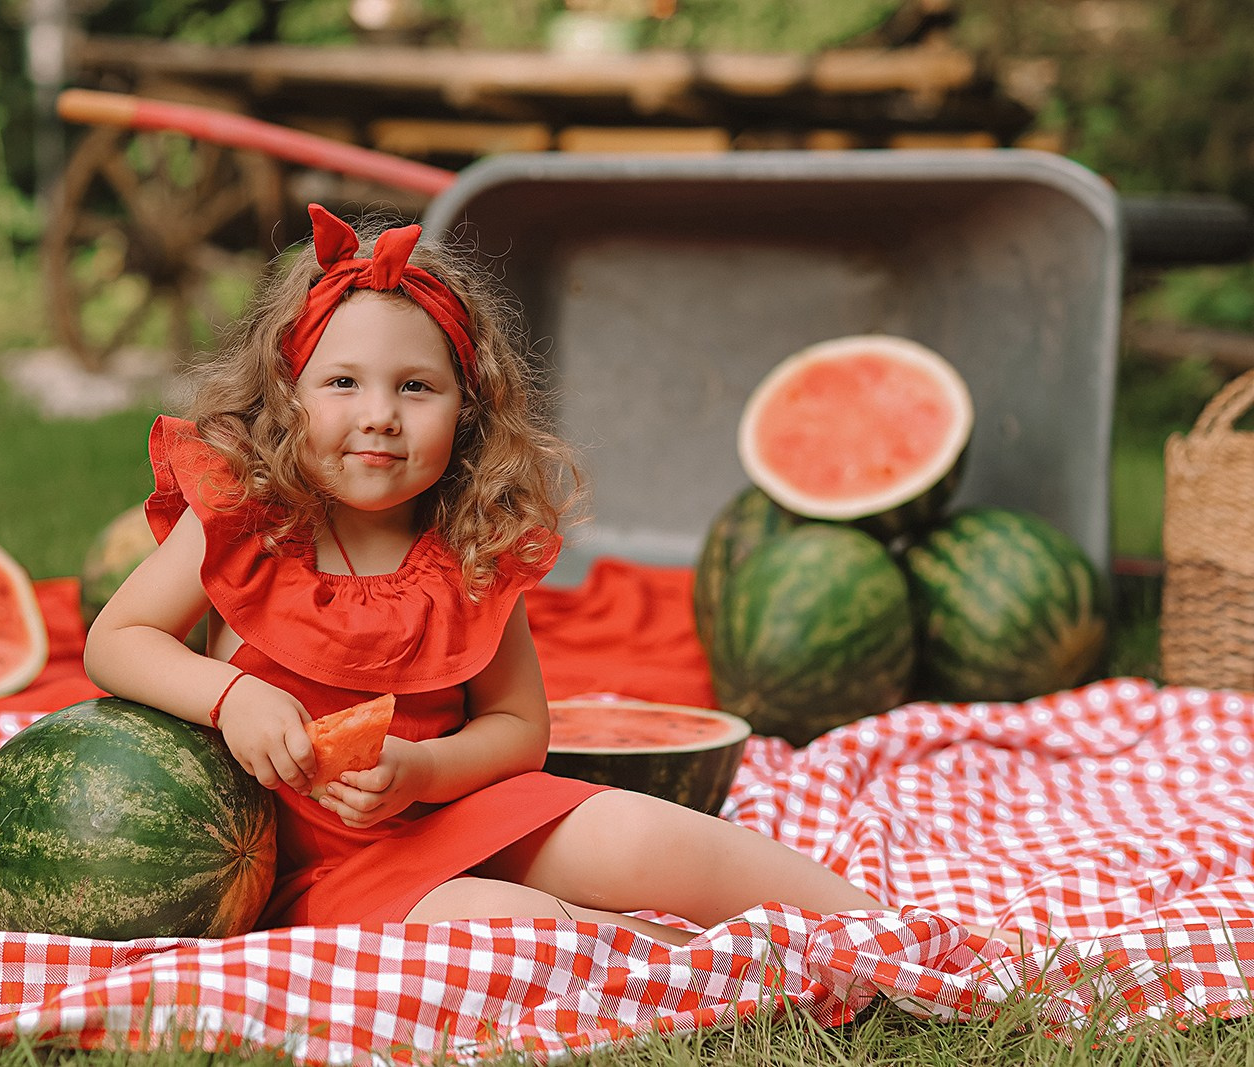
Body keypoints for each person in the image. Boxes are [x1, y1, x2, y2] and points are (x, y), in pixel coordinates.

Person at [85, 203, 972, 946]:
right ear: (287, 395)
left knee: (654, 838)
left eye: (416, 388)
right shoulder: (248, 523)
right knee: (527, 932)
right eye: (344, 382)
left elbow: (519, 730)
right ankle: (707, 963)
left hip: (454, 813)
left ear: (468, 412)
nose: (380, 417)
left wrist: (427, 770)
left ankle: (897, 938)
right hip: (317, 873)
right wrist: (229, 698)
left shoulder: (467, 550)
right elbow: (114, 642)